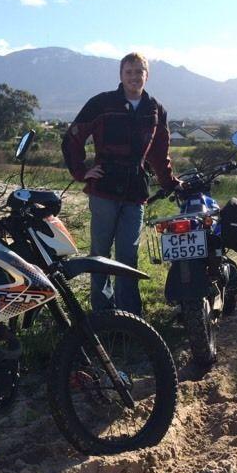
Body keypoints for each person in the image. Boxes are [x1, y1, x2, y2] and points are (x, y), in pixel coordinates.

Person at [61, 52, 179, 315]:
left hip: (136, 190)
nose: (134, 77)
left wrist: (169, 182)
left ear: (147, 75)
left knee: (128, 255)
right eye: (129, 72)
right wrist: (82, 171)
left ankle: (129, 314)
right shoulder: (102, 103)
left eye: (139, 72)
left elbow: (160, 152)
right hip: (104, 188)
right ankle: (102, 312)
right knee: (100, 254)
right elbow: (72, 138)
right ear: (120, 75)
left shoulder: (155, 109)